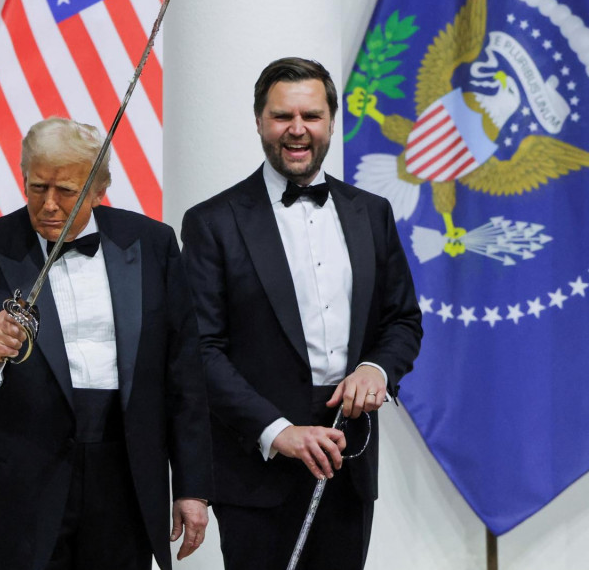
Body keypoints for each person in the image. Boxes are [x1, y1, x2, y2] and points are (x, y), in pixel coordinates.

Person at [0, 117, 213, 570]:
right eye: (38, 187)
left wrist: (193, 486)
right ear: (23, 178)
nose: (50, 205)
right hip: (18, 486)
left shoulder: (152, 244)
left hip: (124, 477)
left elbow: (184, 373)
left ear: (100, 190)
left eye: (68, 191)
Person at [181, 57, 423, 569]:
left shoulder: (372, 212)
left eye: (311, 116)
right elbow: (200, 350)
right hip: (258, 466)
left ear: (332, 121)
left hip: (348, 457)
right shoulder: (211, 222)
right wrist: (277, 430)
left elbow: (402, 320)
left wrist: (375, 368)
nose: (297, 130)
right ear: (259, 121)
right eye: (281, 116)